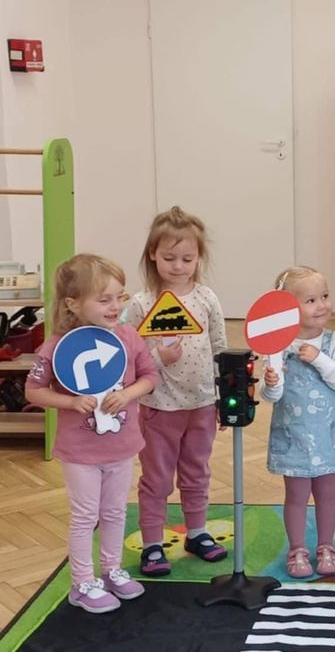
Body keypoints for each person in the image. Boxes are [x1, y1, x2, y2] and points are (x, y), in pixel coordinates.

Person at [25, 255, 160, 613]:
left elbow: (150, 376)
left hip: (122, 446)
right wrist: (70, 403)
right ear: (72, 303)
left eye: (120, 297)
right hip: (80, 452)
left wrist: (128, 394)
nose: (115, 306)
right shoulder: (58, 345)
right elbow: (33, 391)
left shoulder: (128, 336)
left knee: (115, 511)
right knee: (86, 516)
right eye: (104, 300)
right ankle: (82, 584)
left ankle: (112, 570)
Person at [125, 206, 228, 576]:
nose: (179, 266)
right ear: (153, 254)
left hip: (202, 404)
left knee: (197, 471)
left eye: (188, 258)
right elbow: (129, 358)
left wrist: (222, 396)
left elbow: (219, 348)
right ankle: (152, 542)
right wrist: (158, 357)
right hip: (159, 407)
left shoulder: (207, 299)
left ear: (199, 257)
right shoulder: (141, 304)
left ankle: (196, 532)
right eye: (169, 258)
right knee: (156, 478)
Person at [261, 267, 335, 578]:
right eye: (311, 300)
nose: (322, 305)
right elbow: (271, 395)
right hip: (293, 436)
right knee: (296, 496)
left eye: (325, 296)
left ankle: (326, 546)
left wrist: (318, 358)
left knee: (327, 493)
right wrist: (272, 382)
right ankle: (297, 549)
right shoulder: (277, 345)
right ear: (288, 308)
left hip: (328, 436)